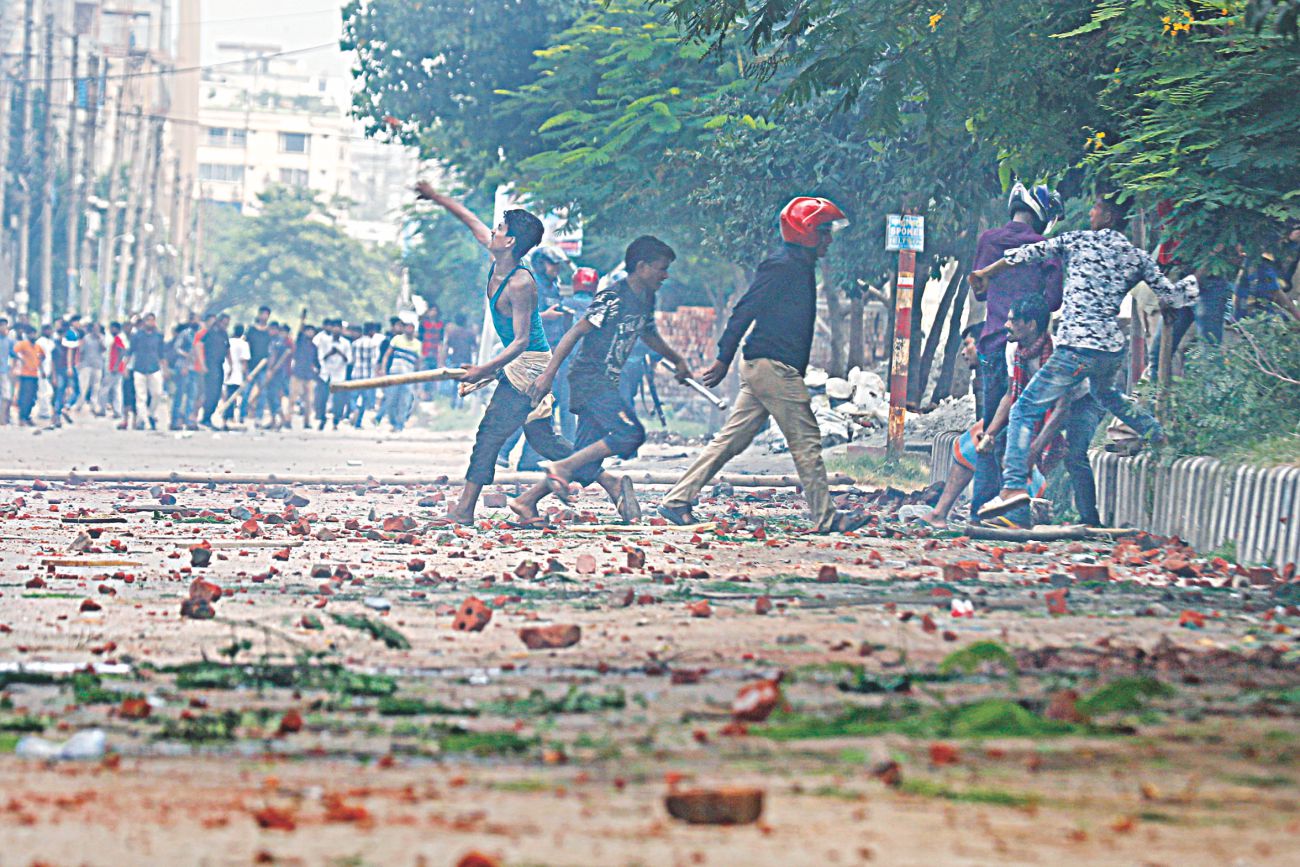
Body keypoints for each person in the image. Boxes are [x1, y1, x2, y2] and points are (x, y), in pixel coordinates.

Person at [971, 191, 1198, 518]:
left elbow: (1025, 254)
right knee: (1109, 397)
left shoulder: (1077, 241)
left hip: (1076, 347)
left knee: (1023, 410)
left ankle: (1013, 487)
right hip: (1110, 350)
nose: (1090, 213)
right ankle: (1160, 436)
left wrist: (988, 272)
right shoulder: (1136, 256)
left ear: (1108, 216)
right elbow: (1172, 297)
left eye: (1096, 208)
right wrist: (1197, 281)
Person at [658, 197, 868, 533]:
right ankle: (826, 518)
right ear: (806, 232)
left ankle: (677, 499)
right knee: (807, 442)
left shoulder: (798, 265)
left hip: (766, 367)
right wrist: (723, 357)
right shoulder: (783, 265)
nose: (829, 239)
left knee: (731, 440)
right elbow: (745, 309)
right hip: (775, 368)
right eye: (824, 231)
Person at [414, 181, 573, 526]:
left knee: (489, 434)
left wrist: (483, 369)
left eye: (499, 228)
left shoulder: (521, 283)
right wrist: (436, 196)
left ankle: (464, 511)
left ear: (511, 241)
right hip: (517, 362)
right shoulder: (495, 255)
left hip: (530, 366)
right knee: (544, 440)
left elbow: (519, 342)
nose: (493, 232)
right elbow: (468, 218)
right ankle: (611, 481)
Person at [509, 236, 692, 526]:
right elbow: (574, 333)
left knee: (586, 460)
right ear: (642, 267)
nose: (665, 275)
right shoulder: (612, 297)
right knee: (629, 433)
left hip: (607, 379)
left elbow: (648, 334)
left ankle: (526, 501)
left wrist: (677, 360)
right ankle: (563, 468)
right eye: (661, 268)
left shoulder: (646, 297)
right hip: (589, 378)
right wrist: (548, 374)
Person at [968, 182, 1064, 517]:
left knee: (989, 428)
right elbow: (1053, 301)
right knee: (1021, 428)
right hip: (1029, 351)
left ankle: (982, 509)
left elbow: (980, 292)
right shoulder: (1046, 248)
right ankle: (1009, 512)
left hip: (991, 345)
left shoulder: (988, 240)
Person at [380, 319, 421, 431]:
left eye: (411, 327)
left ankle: (400, 424)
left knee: (404, 401)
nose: (409, 329)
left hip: (409, 376)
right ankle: (393, 421)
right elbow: (387, 355)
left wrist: (418, 379)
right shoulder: (397, 339)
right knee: (391, 399)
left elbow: (418, 363)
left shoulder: (417, 344)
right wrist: (383, 369)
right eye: (407, 326)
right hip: (395, 373)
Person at [313, 317, 352, 429]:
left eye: (338, 327)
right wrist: (330, 353)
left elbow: (349, 360)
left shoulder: (346, 343)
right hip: (325, 373)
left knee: (338, 400)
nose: (336, 329)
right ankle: (322, 419)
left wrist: (340, 353)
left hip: (339, 374)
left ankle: (336, 421)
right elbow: (320, 357)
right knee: (321, 399)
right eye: (334, 327)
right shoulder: (324, 341)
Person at [130, 312, 165, 431]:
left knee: (157, 393)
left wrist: (164, 369)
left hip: (154, 368)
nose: (150, 323)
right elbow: (130, 352)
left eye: (152, 320)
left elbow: (162, 353)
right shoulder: (137, 336)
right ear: (144, 322)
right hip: (139, 368)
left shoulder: (159, 336)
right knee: (141, 397)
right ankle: (145, 422)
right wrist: (125, 367)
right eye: (148, 320)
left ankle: (150, 414)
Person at [348, 322, 383, 427]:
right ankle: (358, 422)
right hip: (368, 376)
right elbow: (375, 360)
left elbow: (351, 360)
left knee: (352, 396)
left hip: (356, 373)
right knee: (364, 399)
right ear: (372, 332)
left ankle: (354, 409)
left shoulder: (355, 343)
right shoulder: (374, 344)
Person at [199, 313, 231, 428]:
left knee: (217, 393)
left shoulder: (224, 334)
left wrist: (231, 365)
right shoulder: (209, 333)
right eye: (224, 323)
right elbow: (199, 346)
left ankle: (208, 417)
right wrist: (202, 364)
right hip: (210, 365)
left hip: (219, 365)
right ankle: (205, 417)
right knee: (210, 392)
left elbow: (228, 349)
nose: (225, 325)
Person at [241, 305, 273, 421]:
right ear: (259, 314)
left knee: (263, 392)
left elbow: (271, 351)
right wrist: (244, 365)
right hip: (250, 366)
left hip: (263, 367)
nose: (264, 316)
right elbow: (243, 345)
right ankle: (242, 415)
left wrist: (270, 368)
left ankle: (259, 417)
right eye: (262, 313)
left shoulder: (269, 332)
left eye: (266, 314)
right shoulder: (250, 330)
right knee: (246, 392)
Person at [11, 324, 44, 427]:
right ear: (28, 335)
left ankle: (27, 416)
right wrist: (20, 360)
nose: (33, 335)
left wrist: (42, 370)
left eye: (34, 333)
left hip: (35, 374)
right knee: (24, 397)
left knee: (32, 397)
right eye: (31, 334)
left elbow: (42, 357)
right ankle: (22, 418)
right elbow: (13, 352)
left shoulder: (38, 346)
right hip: (25, 374)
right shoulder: (23, 344)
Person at [289, 324, 319, 428]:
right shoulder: (299, 343)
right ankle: (288, 420)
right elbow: (299, 333)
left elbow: (316, 361)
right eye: (308, 331)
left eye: (312, 331)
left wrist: (317, 370)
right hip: (297, 374)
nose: (310, 333)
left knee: (309, 401)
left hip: (309, 376)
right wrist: (302, 320)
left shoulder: (314, 347)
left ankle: (307, 422)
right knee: (292, 399)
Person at [222, 323, 250, 425]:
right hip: (237, 374)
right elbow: (244, 361)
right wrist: (246, 374)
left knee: (228, 395)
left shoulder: (228, 341)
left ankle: (227, 419)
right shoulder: (244, 344)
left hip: (226, 370)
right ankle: (230, 418)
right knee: (234, 397)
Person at [77, 322, 107, 417]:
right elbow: (81, 351)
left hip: (97, 365)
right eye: (94, 328)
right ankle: (80, 404)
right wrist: (79, 363)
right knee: (83, 385)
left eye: (97, 328)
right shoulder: (86, 338)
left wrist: (99, 340)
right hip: (86, 365)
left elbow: (104, 349)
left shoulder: (102, 338)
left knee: (96, 386)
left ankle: (94, 404)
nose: (96, 330)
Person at [418, 304, 446, 400]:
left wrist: (441, 357)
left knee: (433, 374)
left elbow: (441, 342)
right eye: (431, 310)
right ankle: (422, 394)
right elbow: (419, 340)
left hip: (435, 353)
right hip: (424, 352)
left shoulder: (440, 325)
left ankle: (430, 394)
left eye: (435, 310)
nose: (433, 312)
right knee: (423, 373)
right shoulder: (423, 324)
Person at [104, 321, 129, 418]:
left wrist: (116, 365)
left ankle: (113, 410)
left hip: (115, 368)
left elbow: (122, 351)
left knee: (111, 389)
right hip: (116, 367)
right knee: (115, 389)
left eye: (111, 328)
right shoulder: (117, 338)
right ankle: (117, 411)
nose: (110, 330)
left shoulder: (119, 338)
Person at [0, 317, 14, 425]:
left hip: (4, 372)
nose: (3, 327)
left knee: (7, 394)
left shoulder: (9, 341)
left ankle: (3, 418)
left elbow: (14, 353)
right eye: (1, 325)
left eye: (5, 325)